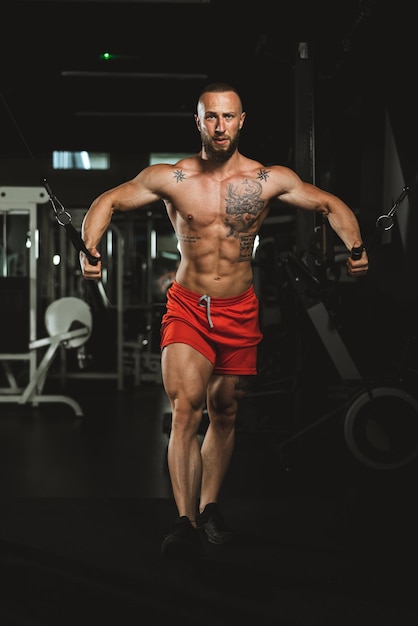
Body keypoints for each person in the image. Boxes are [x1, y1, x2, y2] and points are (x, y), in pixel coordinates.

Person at [80, 82, 369, 560]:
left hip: (240, 308)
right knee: (186, 409)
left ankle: (210, 507)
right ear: (198, 121)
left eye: (228, 117)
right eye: (210, 117)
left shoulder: (267, 178)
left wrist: (355, 248)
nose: (219, 126)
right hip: (188, 305)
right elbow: (107, 202)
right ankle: (184, 522)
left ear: (242, 120)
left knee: (226, 412)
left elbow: (329, 205)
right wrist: (91, 251)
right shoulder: (172, 177)